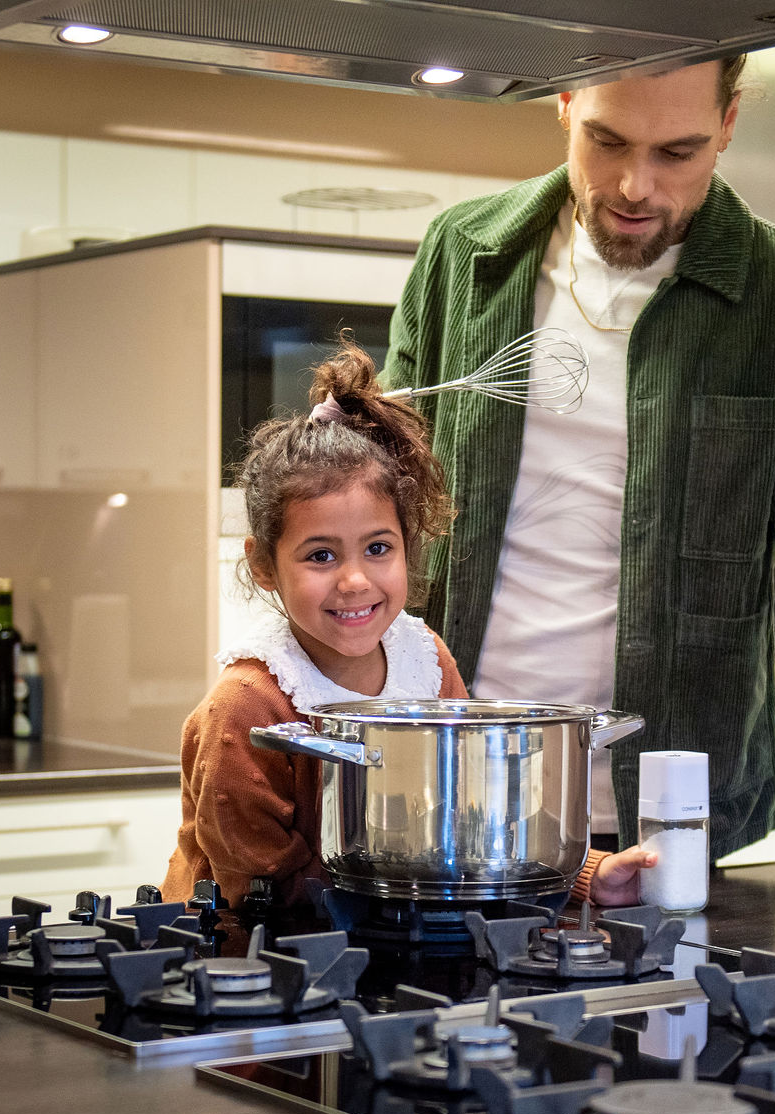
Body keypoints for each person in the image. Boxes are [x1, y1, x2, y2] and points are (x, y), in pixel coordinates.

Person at [385, 55, 775, 858]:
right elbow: (387, 482)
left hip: (668, 797)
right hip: (449, 768)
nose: (635, 186)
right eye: (606, 142)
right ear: (565, 99)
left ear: (727, 125)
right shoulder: (463, 253)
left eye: (675, 153)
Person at [162, 342, 655, 924]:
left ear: (408, 547)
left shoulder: (422, 657)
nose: (354, 581)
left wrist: (585, 876)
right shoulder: (247, 707)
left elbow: (473, 819)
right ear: (264, 565)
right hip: (249, 956)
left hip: (391, 937)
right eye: (320, 555)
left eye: (378, 549)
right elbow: (262, 886)